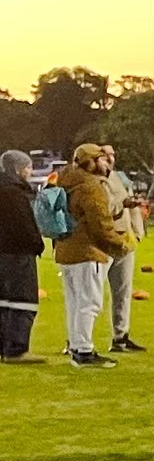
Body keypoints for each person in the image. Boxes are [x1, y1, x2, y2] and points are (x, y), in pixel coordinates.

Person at [52, 143, 129, 368]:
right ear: (91, 162)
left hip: (65, 249)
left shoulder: (65, 180)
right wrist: (119, 244)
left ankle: (76, 346)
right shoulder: (90, 186)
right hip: (87, 251)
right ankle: (84, 351)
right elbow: (100, 224)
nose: (105, 163)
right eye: (101, 159)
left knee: (74, 303)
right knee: (90, 303)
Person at [102, 145, 146, 354]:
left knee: (123, 291)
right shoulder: (92, 181)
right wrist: (124, 204)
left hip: (125, 240)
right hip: (103, 241)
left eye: (112, 155)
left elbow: (132, 208)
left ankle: (121, 336)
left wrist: (137, 232)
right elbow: (104, 208)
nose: (110, 159)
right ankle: (77, 341)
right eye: (105, 155)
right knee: (90, 296)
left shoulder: (118, 178)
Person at [0, 150, 41, 365]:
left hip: (3, 254)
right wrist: (37, 244)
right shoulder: (14, 194)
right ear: (18, 169)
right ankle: (16, 350)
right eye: (28, 167)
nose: (30, 171)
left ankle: (4, 348)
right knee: (22, 301)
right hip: (18, 254)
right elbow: (25, 226)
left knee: (3, 301)